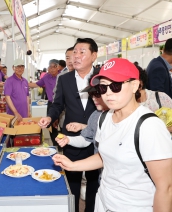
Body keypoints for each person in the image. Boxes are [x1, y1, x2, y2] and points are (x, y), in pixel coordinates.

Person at [53, 58, 172, 211]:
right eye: (103, 88)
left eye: (115, 86)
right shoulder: (104, 118)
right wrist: (73, 165)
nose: (108, 93)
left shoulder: (149, 125)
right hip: (103, 202)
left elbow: (166, 188)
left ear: (134, 85)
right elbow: (105, 155)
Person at [39, 38, 100, 212]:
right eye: (75, 52)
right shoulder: (64, 79)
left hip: (97, 137)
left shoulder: (101, 77)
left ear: (94, 55)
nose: (76, 56)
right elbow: (57, 104)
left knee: (94, 179)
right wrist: (50, 117)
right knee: (72, 178)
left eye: (82, 52)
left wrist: (87, 126)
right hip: (71, 137)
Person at [29, 59, 60, 142]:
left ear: (58, 67)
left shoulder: (62, 76)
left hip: (62, 104)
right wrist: (23, 82)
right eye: (50, 67)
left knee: (63, 125)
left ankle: (64, 144)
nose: (52, 69)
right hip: (51, 104)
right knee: (50, 124)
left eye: (54, 67)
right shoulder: (46, 76)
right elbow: (36, 84)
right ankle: (55, 144)